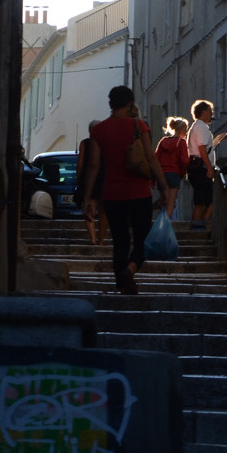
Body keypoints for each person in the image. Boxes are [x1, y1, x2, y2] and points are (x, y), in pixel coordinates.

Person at [80, 84, 169, 295]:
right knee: (142, 239)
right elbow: (151, 157)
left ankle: (121, 286)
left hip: (112, 193)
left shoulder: (98, 130)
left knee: (120, 242)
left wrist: (87, 199)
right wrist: (164, 186)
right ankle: (130, 270)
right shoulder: (140, 126)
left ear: (110, 104)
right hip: (139, 192)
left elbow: (93, 165)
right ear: (130, 104)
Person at [186, 98, 227, 229]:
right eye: (210, 111)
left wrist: (215, 141)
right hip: (200, 168)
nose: (212, 115)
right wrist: (209, 167)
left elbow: (204, 148)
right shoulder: (201, 127)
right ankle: (199, 228)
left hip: (196, 167)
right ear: (204, 112)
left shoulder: (197, 127)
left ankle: (199, 227)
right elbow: (201, 149)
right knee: (206, 201)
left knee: (203, 200)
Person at [76, 121, 107, 246]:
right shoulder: (107, 143)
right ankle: (101, 240)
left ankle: (93, 239)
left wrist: (79, 179)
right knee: (104, 211)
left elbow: (80, 164)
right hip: (105, 178)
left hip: (89, 178)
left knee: (89, 207)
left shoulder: (85, 143)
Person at [155, 116, 189, 220]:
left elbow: (156, 159)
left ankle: (160, 225)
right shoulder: (181, 142)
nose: (186, 132)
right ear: (182, 130)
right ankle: (166, 227)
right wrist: (183, 173)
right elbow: (185, 161)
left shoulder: (163, 141)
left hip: (162, 175)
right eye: (185, 130)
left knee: (163, 202)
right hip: (174, 174)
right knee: (171, 203)